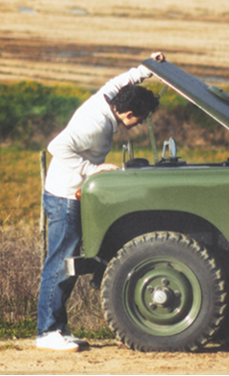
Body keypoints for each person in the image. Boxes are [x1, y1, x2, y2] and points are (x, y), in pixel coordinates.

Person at [30, 52, 165, 352]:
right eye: (140, 118)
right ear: (128, 113)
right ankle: (47, 331)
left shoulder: (107, 99)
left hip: (69, 193)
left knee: (66, 261)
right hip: (65, 196)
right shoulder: (96, 124)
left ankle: (57, 329)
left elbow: (120, 81)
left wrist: (146, 69)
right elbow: (57, 146)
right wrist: (93, 171)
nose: (140, 123)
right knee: (61, 263)